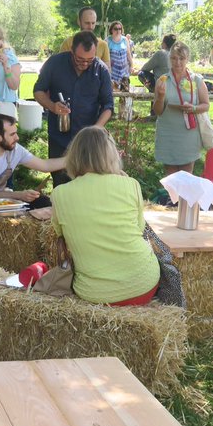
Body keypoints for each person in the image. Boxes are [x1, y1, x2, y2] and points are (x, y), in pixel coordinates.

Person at [50, 126, 160, 306]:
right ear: (111, 155)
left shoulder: (59, 194)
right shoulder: (130, 184)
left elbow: (59, 232)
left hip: (95, 292)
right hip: (143, 284)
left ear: (74, 156)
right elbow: (140, 228)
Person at [33, 30, 114, 187]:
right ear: (72, 51)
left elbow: (108, 105)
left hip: (87, 140)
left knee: (87, 184)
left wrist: (96, 129)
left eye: (90, 60)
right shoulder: (55, 63)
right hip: (59, 137)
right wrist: (52, 106)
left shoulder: (101, 70)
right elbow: (38, 91)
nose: (85, 64)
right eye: (80, 59)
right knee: (60, 182)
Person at [0, 113, 67, 202]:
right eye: (12, 134)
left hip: (0, 203)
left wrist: (71, 159)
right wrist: (20, 195)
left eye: (16, 133)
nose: (17, 138)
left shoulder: (15, 149)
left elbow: (45, 166)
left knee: (43, 202)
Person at [153, 41, 211, 176]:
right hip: (168, 133)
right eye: (174, 58)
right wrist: (160, 97)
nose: (177, 62)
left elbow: (206, 105)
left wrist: (194, 108)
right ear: (169, 59)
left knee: (186, 177)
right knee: (171, 178)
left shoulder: (196, 80)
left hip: (188, 134)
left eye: (181, 58)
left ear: (187, 59)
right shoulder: (162, 80)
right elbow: (158, 111)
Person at [106, 21, 133, 87]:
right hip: (112, 72)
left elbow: (128, 54)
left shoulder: (125, 39)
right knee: (112, 91)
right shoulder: (107, 41)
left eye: (119, 29)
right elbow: (105, 58)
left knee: (125, 91)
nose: (118, 31)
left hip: (124, 71)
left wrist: (131, 66)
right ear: (111, 30)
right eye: (115, 29)